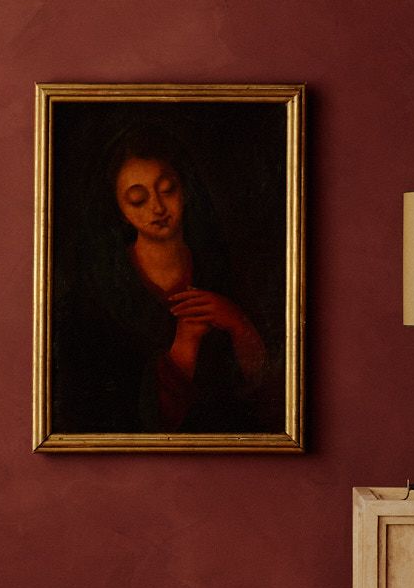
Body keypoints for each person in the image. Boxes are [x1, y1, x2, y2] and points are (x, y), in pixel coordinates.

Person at [57, 121, 276, 433]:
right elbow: (99, 414)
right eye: (138, 198)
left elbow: (268, 395)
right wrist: (183, 347)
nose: (158, 207)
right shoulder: (97, 293)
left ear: (184, 188)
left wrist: (238, 324)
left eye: (167, 189)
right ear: (120, 209)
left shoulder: (222, 270)